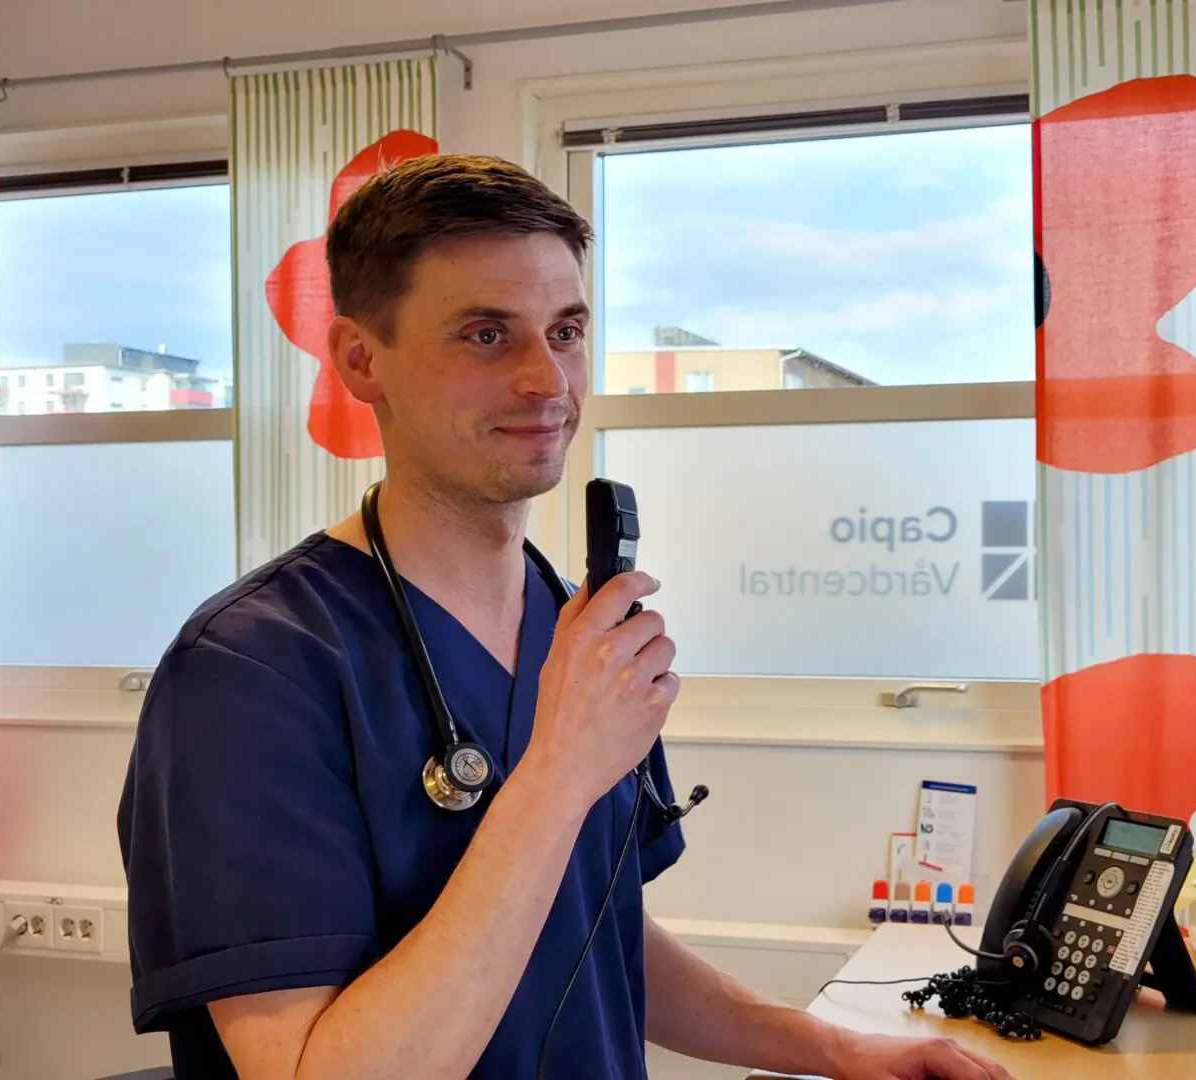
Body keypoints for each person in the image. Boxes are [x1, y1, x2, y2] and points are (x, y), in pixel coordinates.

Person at [116, 153, 1015, 1080]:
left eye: (567, 331)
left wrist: (838, 1049)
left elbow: (599, 931)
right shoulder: (250, 673)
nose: (548, 381)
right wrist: (558, 770)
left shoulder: (572, 624)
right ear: (359, 359)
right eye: (486, 335)